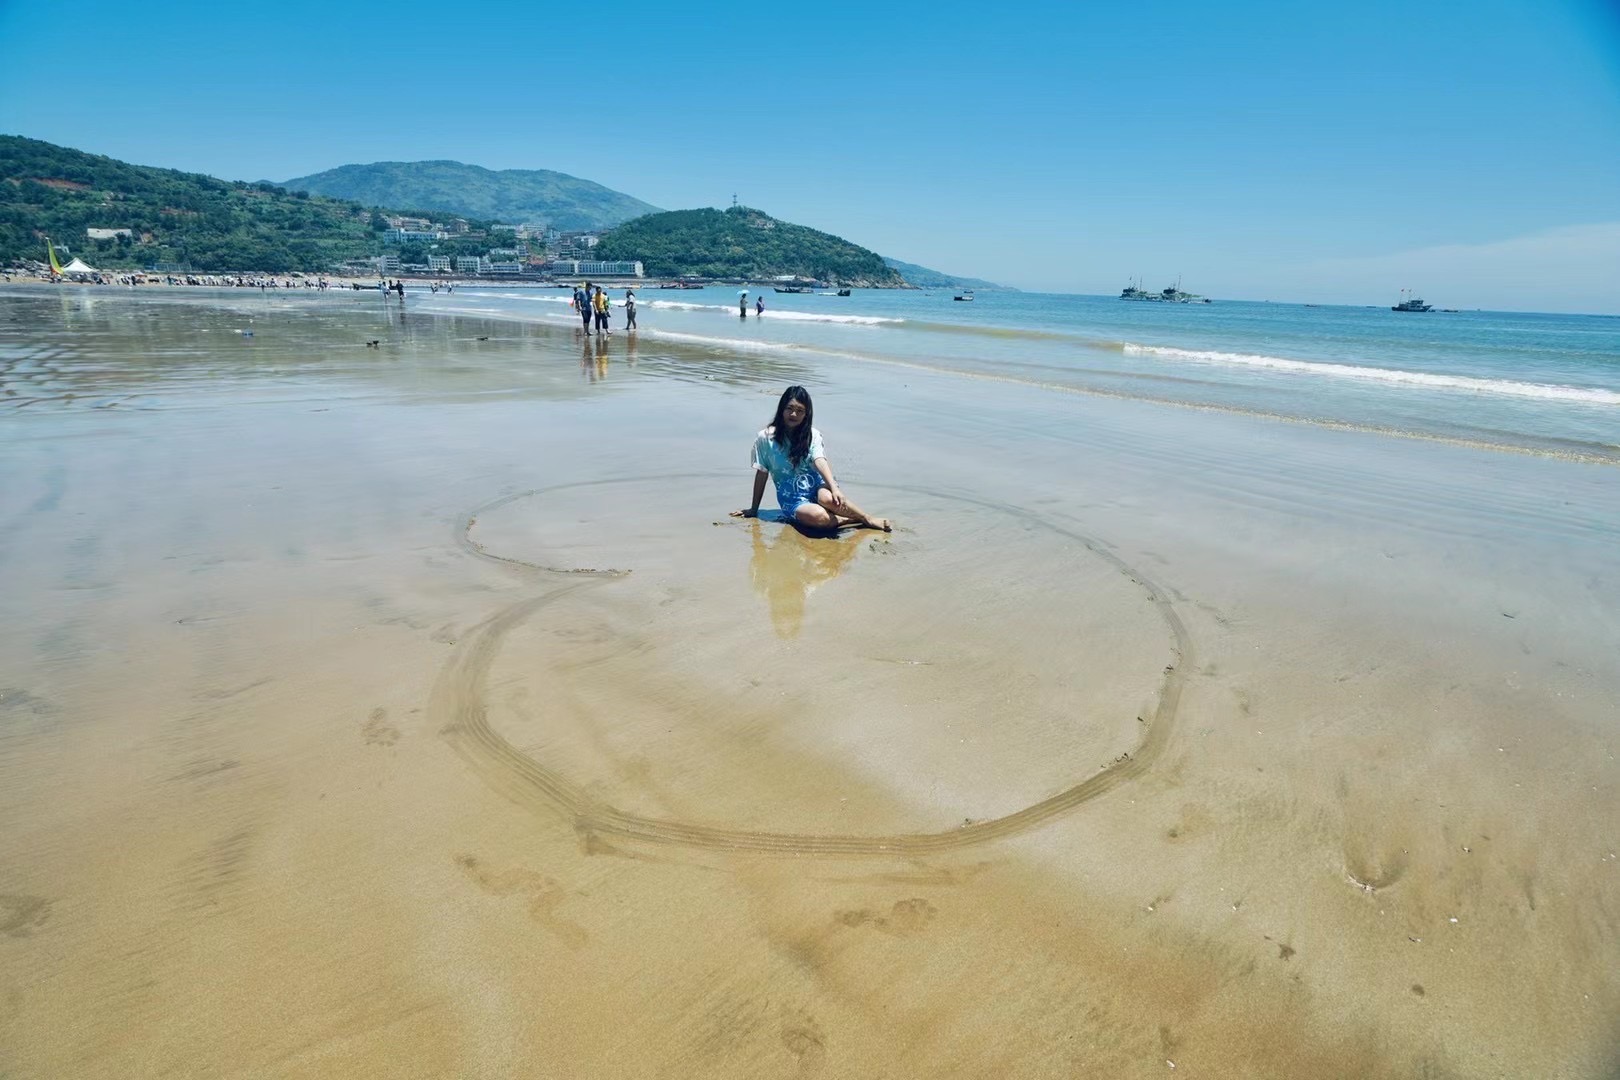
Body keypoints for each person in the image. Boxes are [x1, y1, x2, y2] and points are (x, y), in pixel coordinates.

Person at [731, 385, 891, 532]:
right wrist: (754, 509)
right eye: (790, 408)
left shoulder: (812, 435)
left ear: (806, 414)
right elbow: (762, 473)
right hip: (792, 498)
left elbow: (820, 460)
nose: (794, 414)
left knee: (828, 499)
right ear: (781, 409)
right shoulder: (765, 438)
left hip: (817, 486)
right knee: (819, 517)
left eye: (800, 410)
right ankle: (844, 520)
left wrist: (834, 488)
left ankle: (866, 518)